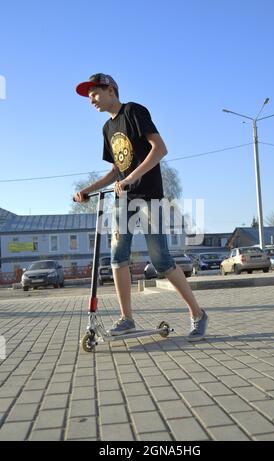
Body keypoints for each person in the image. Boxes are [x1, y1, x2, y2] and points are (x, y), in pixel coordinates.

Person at [74, 73, 208, 341]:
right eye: (89, 98)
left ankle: (198, 313)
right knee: (117, 256)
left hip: (149, 196)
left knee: (161, 260)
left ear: (111, 89)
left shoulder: (133, 111)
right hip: (123, 199)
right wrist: (87, 190)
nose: (92, 101)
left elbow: (160, 149)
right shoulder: (106, 129)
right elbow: (115, 170)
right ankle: (127, 319)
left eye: (95, 94)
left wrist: (133, 177)